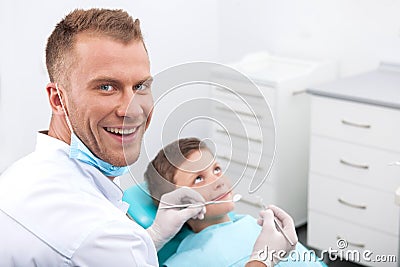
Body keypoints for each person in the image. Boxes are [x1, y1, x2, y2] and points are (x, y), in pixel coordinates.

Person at [0, 8, 297, 267]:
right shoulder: (104, 233)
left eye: (141, 86)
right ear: (57, 100)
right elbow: (101, 246)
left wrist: (152, 237)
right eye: (106, 87)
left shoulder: (18, 174)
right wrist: (263, 259)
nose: (132, 110)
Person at [144, 138, 325, 267]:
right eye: (198, 179)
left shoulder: (251, 223)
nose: (219, 181)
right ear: (176, 204)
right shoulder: (189, 259)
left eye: (216, 169)